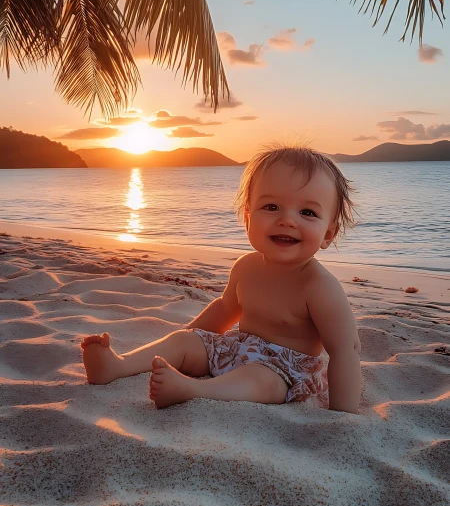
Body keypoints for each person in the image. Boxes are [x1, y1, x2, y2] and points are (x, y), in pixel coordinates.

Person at [81, 145, 362, 413]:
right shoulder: (246, 267)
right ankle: (117, 366)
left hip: (285, 372)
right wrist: (191, 339)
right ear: (249, 218)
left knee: (259, 379)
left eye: (307, 212)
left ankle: (192, 389)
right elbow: (225, 309)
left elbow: (345, 350)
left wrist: (344, 413)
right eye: (272, 207)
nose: (288, 220)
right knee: (182, 341)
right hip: (237, 348)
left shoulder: (319, 286)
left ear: (328, 234)